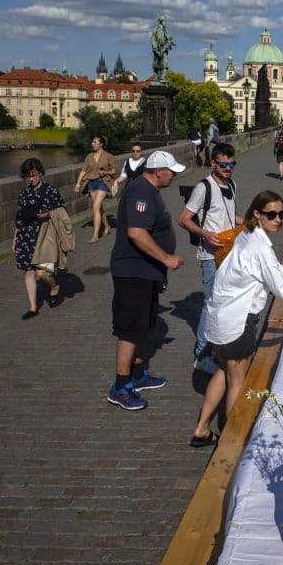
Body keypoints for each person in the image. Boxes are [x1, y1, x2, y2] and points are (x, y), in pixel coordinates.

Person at [190, 191, 283, 446]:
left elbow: (276, 271)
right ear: (257, 213)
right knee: (237, 381)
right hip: (237, 321)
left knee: (224, 370)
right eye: (272, 214)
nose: (278, 219)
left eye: (281, 214)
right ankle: (232, 441)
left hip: (221, 316)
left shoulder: (248, 234)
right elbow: (282, 290)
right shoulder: (258, 246)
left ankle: (201, 428)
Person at [106, 150, 186, 412]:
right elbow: (137, 232)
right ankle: (120, 386)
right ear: (158, 171)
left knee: (142, 325)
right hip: (134, 271)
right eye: (171, 171)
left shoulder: (149, 190)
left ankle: (138, 374)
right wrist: (166, 259)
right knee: (130, 329)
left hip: (146, 272)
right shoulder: (141, 191)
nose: (174, 175)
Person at [178, 143, 243, 377]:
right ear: (213, 163)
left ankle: (218, 348)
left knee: (224, 302)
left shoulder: (232, 184)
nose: (228, 168)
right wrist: (206, 234)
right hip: (209, 254)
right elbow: (184, 219)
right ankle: (201, 356)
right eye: (223, 165)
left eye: (231, 164)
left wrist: (245, 221)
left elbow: (226, 213)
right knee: (211, 303)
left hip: (228, 251)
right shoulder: (203, 187)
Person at [12, 158, 65, 320]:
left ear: (40, 173)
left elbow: (62, 210)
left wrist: (49, 214)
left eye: (34, 175)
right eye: (28, 176)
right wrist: (14, 238)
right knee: (29, 273)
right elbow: (19, 217)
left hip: (44, 235)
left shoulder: (50, 191)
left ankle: (54, 286)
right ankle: (33, 307)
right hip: (26, 236)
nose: (31, 179)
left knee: (42, 274)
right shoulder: (24, 193)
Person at [74, 135, 115, 243]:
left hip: (103, 183)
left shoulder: (108, 156)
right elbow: (83, 171)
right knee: (99, 208)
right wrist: (78, 184)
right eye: (92, 142)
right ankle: (107, 226)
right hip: (91, 183)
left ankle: (95, 235)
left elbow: (113, 171)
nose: (92, 144)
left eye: (94, 142)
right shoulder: (89, 156)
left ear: (101, 144)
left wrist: (105, 172)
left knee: (95, 206)